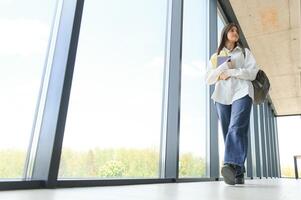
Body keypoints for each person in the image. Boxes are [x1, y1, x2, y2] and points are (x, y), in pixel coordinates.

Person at [205, 23, 259, 185]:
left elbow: (252, 72)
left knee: (236, 128)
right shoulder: (216, 56)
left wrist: (231, 71)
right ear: (225, 33)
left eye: (237, 31)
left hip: (242, 92)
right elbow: (208, 79)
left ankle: (229, 164)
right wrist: (220, 71)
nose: (235, 33)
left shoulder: (244, 52)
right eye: (232, 30)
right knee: (229, 132)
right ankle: (238, 171)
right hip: (222, 96)